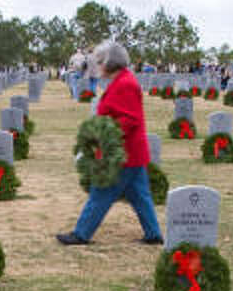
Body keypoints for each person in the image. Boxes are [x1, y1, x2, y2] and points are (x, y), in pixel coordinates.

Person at [55, 42, 162, 247]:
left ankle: (81, 234)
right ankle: (153, 233)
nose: (97, 66)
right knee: (140, 195)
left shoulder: (125, 84)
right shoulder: (121, 81)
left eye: (100, 61)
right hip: (132, 153)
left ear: (110, 63)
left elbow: (130, 120)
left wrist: (102, 133)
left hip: (122, 153)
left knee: (101, 192)